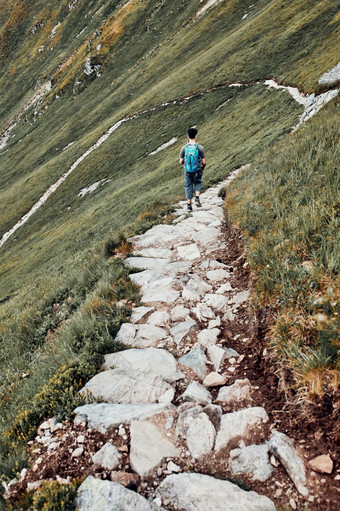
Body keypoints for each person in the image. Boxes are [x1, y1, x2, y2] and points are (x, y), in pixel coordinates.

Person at [179, 127, 206, 211]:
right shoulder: (200, 148)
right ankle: (197, 198)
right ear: (196, 136)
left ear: (188, 136)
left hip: (187, 171)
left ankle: (189, 205)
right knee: (197, 182)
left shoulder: (184, 148)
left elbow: (180, 161)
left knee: (188, 186)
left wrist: (186, 163)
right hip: (197, 169)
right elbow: (204, 161)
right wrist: (202, 168)